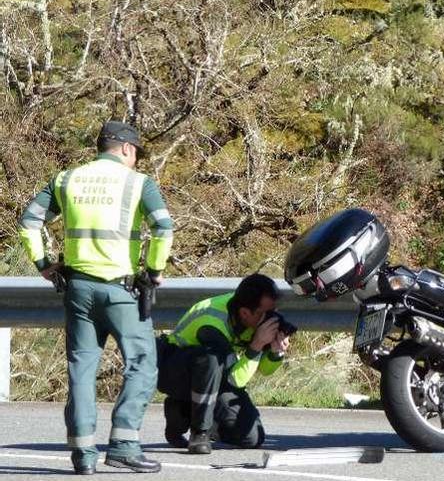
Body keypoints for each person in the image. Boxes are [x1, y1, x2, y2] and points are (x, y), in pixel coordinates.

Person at [18, 120, 174, 474]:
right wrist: (152, 271)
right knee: (142, 363)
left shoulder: (66, 179)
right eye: (136, 154)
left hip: (78, 289)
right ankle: (123, 443)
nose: (136, 160)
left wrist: (44, 264)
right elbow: (163, 226)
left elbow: (30, 221)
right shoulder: (138, 184)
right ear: (126, 149)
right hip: (120, 289)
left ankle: (83, 454)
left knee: (82, 368)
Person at [156, 273, 291, 454]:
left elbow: (264, 370)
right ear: (245, 313)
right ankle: (196, 429)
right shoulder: (212, 323)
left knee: (251, 437)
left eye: (273, 311)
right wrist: (256, 345)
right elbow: (234, 380)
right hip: (174, 371)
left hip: (212, 379)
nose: (270, 318)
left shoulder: (252, 318)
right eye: (264, 313)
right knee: (210, 360)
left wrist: (276, 352)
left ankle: (199, 417)